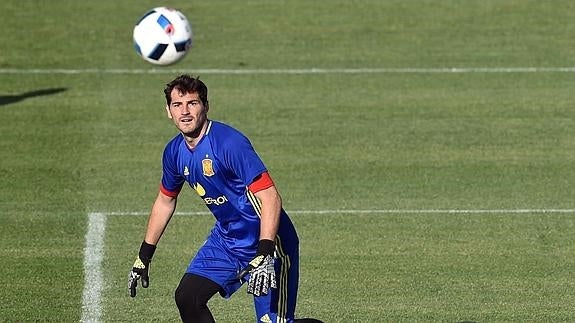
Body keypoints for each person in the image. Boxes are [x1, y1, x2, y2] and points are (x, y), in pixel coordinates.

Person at [128, 75, 319, 323]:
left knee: (273, 322)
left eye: (192, 103)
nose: (184, 112)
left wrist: (265, 252)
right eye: (177, 105)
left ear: (206, 106)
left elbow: (270, 196)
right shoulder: (174, 152)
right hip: (228, 241)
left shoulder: (229, 143)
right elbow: (166, 200)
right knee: (188, 297)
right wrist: (144, 256)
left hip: (271, 242)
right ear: (168, 111)